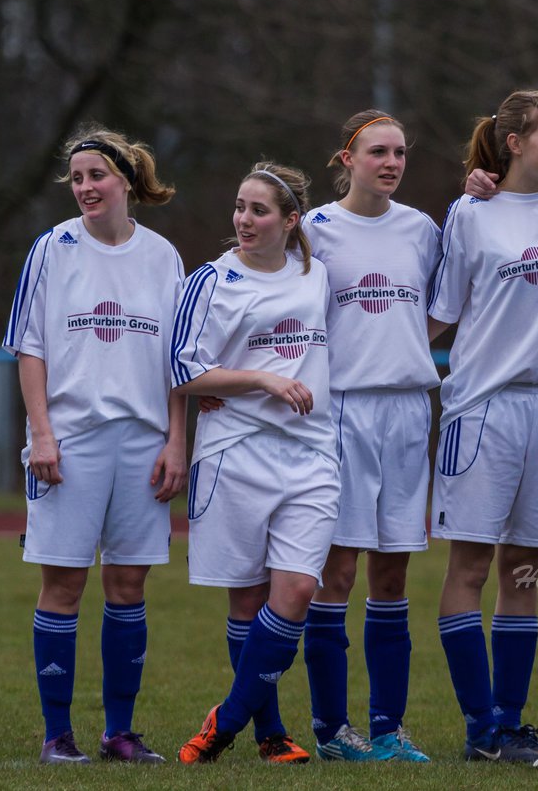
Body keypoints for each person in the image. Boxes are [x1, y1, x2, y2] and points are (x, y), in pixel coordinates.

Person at [428, 89, 538, 764]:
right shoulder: (471, 213)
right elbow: (440, 312)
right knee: (470, 565)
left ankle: (509, 721)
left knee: (524, 570)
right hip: (483, 409)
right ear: (514, 143)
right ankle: (480, 727)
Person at [3, 127, 186, 765]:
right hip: (71, 442)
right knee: (63, 584)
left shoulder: (164, 256)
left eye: (96, 176)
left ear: (127, 181)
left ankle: (120, 732)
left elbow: (177, 363)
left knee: (129, 584)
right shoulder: (51, 249)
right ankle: (58, 736)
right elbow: (30, 348)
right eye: (77, 177)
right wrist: (42, 435)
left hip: (143, 444)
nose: (84, 187)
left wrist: (176, 440)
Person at [173, 162, 338, 765]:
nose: (243, 219)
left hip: (312, 452)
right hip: (233, 453)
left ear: (291, 220)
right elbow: (184, 369)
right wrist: (259, 379)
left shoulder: (317, 274)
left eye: (259, 210)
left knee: (295, 589)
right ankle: (271, 738)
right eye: (240, 207)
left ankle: (226, 721)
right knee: (245, 603)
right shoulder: (211, 279)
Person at [296, 110, 439, 763]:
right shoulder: (315, 232)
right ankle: (332, 730)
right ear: (346, 158)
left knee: (393, 571)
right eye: (377, 152)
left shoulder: (422, 230)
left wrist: (398, 350)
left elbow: (433, 313)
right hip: (343, 411)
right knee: (338, 570)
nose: (391, 163)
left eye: (400, 153)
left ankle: (387, 728)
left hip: (408, 410)